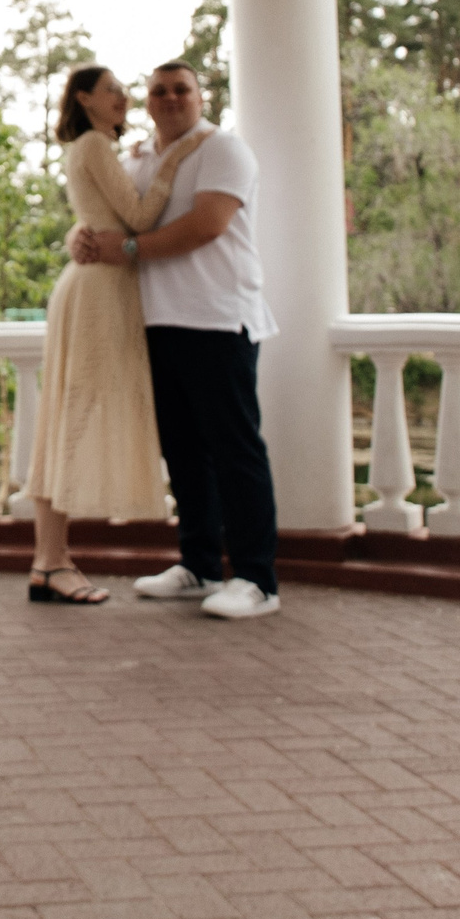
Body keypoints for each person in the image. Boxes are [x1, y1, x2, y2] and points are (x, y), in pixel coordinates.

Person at [69, 61, 280, 621]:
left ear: (200, 96)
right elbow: (114, 213)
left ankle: (258, 579)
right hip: (155, 322)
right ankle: (200, 565)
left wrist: (129, 250)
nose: (169, 98)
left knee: (235, 450)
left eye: (180, 89)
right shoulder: (139, 158)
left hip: (217, 319)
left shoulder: (222, 149)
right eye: (158, 90)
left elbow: (206, 224)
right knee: (184, 452)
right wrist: (83, 234)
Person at [21, 67, 208, 604]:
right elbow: (141, 218)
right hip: (101, 292)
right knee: (72, 416)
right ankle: (50, 562)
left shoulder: (93, 148)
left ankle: (49, 561)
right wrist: (174, 161)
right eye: (111, 91)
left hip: (98, 288)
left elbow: (97, 215)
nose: (122, 98)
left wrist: (79, 231)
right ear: (85, 99)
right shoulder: (96, 145)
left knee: (66, 415)